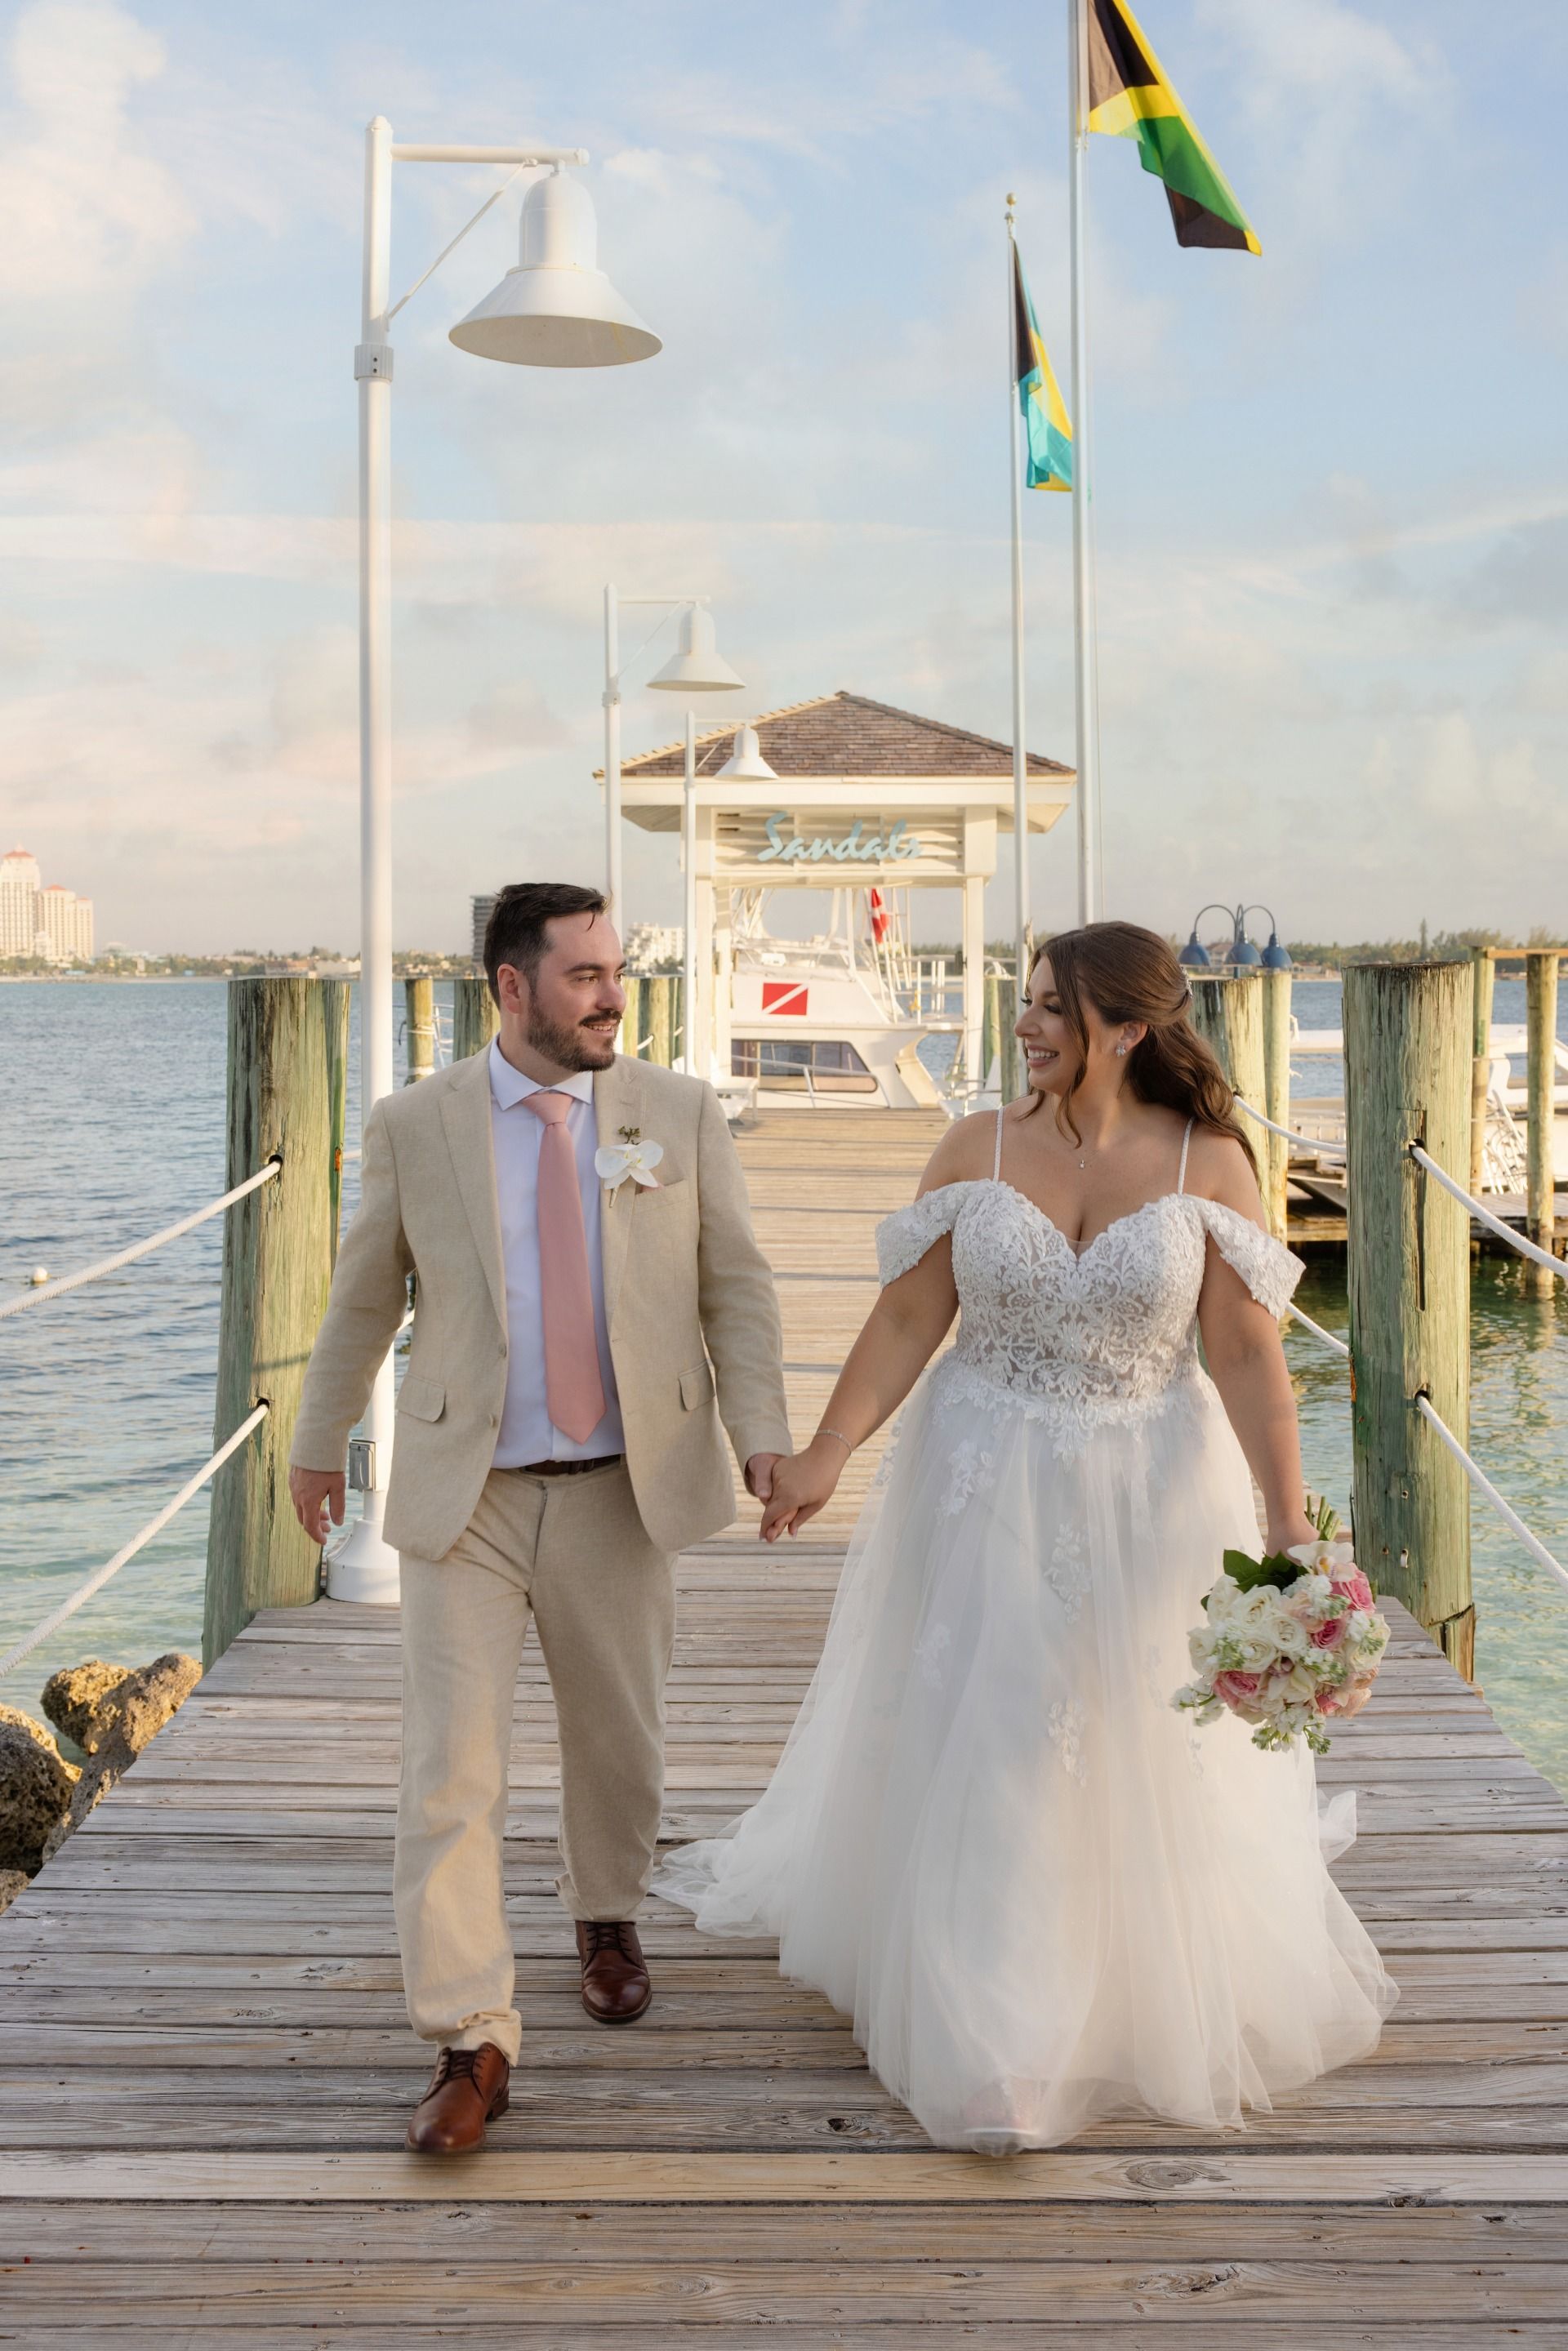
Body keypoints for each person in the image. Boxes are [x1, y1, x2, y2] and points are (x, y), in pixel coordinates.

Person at [653, 921, 1396, 2153]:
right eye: (1028, 999)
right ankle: (1001, 2038)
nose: (1028, 1022)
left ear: (1126, 1028)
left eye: (1053, 1006)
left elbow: (1247, 1351)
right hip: (983, 1478)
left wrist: (1284, 1527)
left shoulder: (1209, 1163)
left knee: (1117, 1732)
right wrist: (832, 1451)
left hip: (1153, 1485)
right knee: (1001, 1734)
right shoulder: (974, 1145)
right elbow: (907, 1319)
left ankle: (1118, 1976)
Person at [289, 883, 791, 2154]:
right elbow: (362, 1300)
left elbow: (736, 1283)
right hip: (471, 1495)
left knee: (619, 1741)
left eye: (616, 969)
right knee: (448, 1770)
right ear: (511, 988)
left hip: (628, 1480)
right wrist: (315, 1439)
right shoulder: (416, 1124)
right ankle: (471, 2037)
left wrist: (763, 1435)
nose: (611, 994)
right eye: (583, 975)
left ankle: (606, 1912)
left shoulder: (673, 1112)